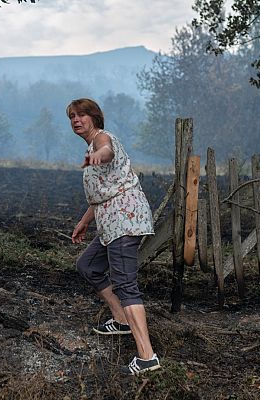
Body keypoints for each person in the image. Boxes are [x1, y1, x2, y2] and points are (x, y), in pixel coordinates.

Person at [67, 98, 160, 376]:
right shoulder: (91, 145)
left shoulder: (102, 139)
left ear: (94, 117)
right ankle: (121, 319)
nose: (76, 120)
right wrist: (84, 222)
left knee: (125, 284)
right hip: (111, 221)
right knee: (89, 266)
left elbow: (106, 150)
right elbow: (101, 194)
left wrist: (99, 154)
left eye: (81, 114)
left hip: (124, 220)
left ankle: (146, 356)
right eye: (71, 116)